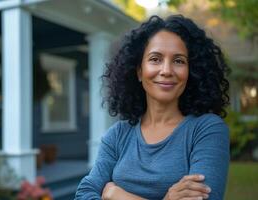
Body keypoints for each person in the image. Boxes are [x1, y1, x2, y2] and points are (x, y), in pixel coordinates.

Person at [75, 15, 230, 200]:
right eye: (155, 59)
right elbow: (84, 194)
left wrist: (115, 194)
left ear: (192, 71)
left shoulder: (206, 130)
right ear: (139, 71)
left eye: (179, 61)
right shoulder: (117, 136)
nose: (166, 70)